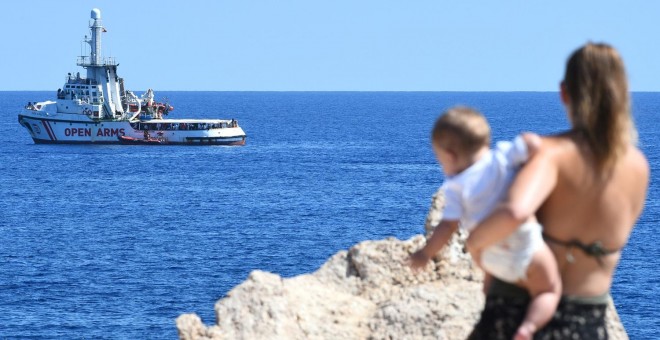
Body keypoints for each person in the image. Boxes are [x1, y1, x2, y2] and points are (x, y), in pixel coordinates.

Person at [465, 42, 649, 339]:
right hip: (588, 322)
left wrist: (474, 244)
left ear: (564, 93)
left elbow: (515, 211)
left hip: (516, 316)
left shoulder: (551, 155)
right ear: (622, 95)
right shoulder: (639, 168)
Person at [408, 106, 561, 340]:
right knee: (550, 289)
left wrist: (425, 254)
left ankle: (491, 305)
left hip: (490, 256)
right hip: (524, 248)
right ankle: (528, 328)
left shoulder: (455, 188)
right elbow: (533, 144)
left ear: (449, 155)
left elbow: (447, 227)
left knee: (489, 284)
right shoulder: (501, 157)